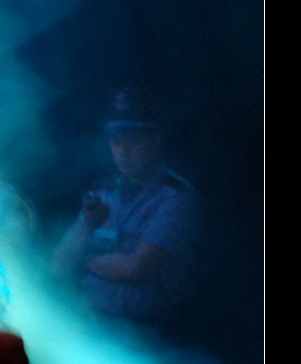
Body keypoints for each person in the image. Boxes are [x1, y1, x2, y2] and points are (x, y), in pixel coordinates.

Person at [53, 88, 197, 325]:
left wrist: (83, 260)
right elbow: (59, 263)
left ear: (156, 141)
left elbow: (134, 269)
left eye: (133, 141)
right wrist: (88, 223)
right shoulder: (103, 192)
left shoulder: (175, 198)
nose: (123, 151)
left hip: (145, 331)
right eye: (116, 141)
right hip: (91, 323)